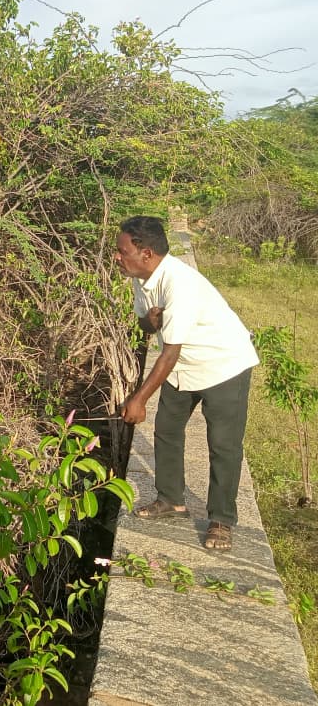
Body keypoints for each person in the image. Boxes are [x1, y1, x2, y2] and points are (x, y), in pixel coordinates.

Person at [115, 216, 258, 552]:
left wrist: (138, 400)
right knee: (166, 429)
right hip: (184, 367)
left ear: (146, 253)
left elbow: (169, 352)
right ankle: (170, 501)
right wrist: (148, 321)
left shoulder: (179, 284)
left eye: (122, 251)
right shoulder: (141, 277)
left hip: (224, 364)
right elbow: (147, 325)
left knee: (223, 445)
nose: (117, 257)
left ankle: (221, 519)